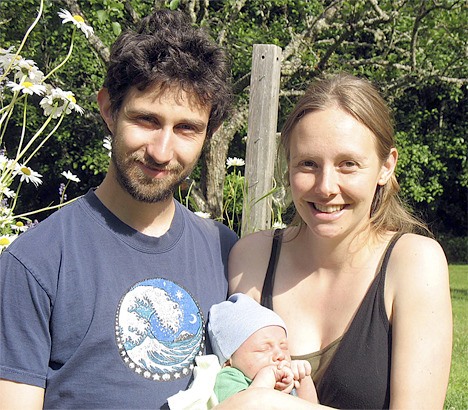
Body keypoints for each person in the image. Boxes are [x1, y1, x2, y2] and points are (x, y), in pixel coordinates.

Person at [0, 9, 237, 409]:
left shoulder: (226, 251)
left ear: (208, 133)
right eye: (146, 120)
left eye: (186, 129)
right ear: (109, 110)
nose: (162, 151)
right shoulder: (35, 263)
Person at [221, 73, 453, 409]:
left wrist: (260, 404)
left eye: (348, 164)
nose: (326, 186)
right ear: (288, 167)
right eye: (308, 164)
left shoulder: (414, 263)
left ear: (386, 167)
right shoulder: (252, 258)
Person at [208, 293, 317, 403]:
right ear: (228, 361)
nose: (280, 355)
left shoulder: (285, 379)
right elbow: (245, 405)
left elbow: (313, 406)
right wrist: (268, 376)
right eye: (264, 349)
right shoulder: (229, 377)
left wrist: (302, 377)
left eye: (283, 347)